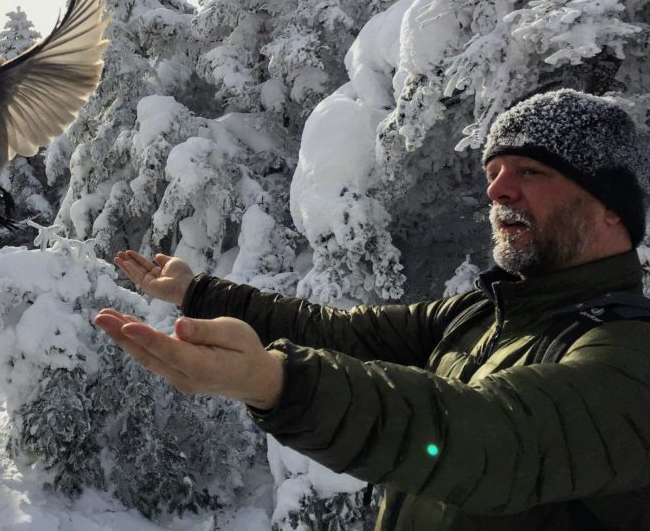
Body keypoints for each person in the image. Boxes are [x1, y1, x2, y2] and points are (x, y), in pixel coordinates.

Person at [94, 89, 650, 530]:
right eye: (493, 173)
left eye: (531, 172)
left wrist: (275, 383)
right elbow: (340, 333)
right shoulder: (485, 313)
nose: (497, 191)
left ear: (610, 207)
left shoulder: (631, 354)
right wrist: (199, 294)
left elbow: (490, 439)